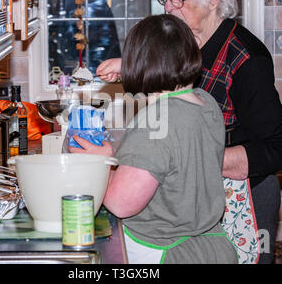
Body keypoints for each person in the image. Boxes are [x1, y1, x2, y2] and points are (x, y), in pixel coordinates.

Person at [96, 0, 282, 264]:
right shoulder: (186, 45)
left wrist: (192, 158)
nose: (168, 7)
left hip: (243, 201)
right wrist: (132, 66)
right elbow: (172, 82)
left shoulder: (247, 59)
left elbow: (278, 149)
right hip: (192, 209)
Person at [70, 14, 238, 264]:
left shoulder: (155, 122)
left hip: (164, 254)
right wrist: (130, 65)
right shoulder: (206, 104)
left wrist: (103, 163)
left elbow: (121, 204)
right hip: (214, 248)